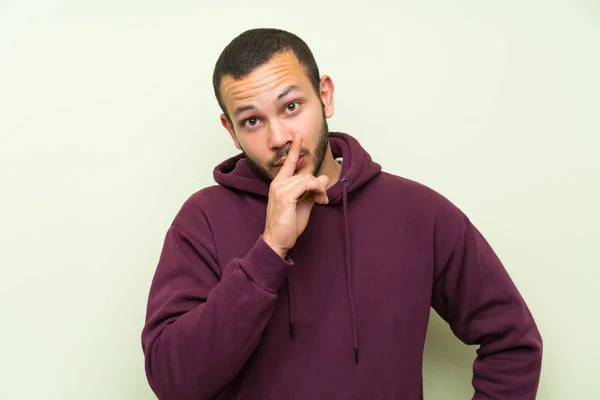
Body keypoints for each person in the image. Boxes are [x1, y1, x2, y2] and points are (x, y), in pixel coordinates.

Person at [141, 28, 543, 400]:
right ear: (231, 131)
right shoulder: (202, 220)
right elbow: (174, 382)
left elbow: (513, 343)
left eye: (292, 106)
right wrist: (269, 251)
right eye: (252, 121)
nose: (279, 138)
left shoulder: (421, 214)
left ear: (325, 96)